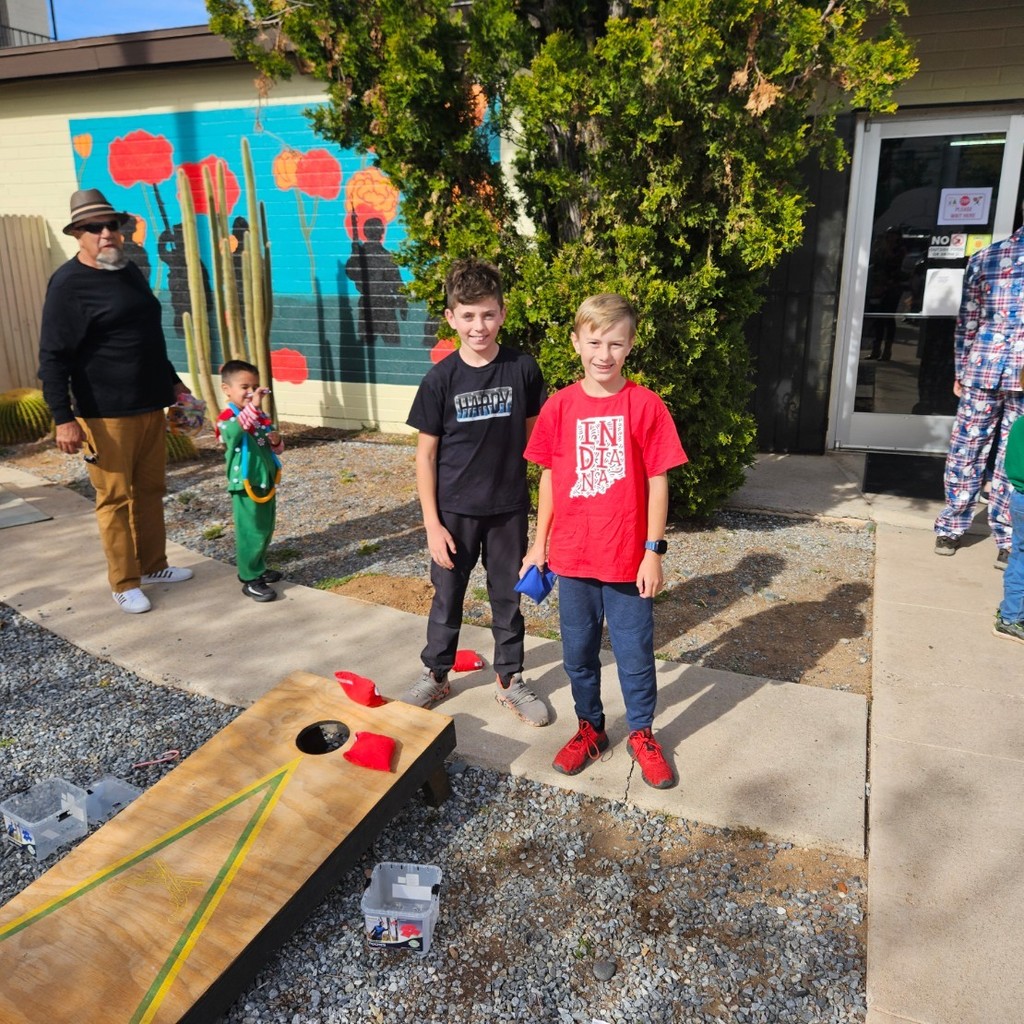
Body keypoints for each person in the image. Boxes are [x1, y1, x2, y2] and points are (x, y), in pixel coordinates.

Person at [522, 293, 687, 789]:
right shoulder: (559, 407)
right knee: (577, 654)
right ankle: (590, 728)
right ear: (576, 342)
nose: (603, 354)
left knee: (635, 655)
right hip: (572, 559)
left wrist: (653, 551)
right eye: (594, 341)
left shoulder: (646, 405)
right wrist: (539, 543)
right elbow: (549, 477)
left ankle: (641, 732)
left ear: (630, 346)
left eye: (615, 343)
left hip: (626, 560)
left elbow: (659, 479)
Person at [401, 257, 548, 725]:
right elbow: (425, 457)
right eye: (467, 315)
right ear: (451, 318)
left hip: (508, 510)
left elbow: (538, 445)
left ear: (502, 313)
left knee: (508, 597)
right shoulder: (439, 380)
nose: (478, 325)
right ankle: (436, 675)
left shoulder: (523, 368)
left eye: (487, 313)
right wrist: (431, 524)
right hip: (453, 514)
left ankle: (511, 681)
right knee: (447, 596)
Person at [37, 188, 194, 614]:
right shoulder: (68, 285)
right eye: (94, 227)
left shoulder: (128, 271)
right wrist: (63, 418)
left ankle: (154, 565)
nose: (106, 233)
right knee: (115, 499)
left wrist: (176, 387)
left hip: (149, 404)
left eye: (112, 225)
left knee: (150, 490)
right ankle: (124, 581)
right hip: (104, 414)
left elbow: (149, 339)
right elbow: (53, 355)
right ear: (78, 235)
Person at [934, 214, 1024, 569]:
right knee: (1009, 456)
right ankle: (1005, 538)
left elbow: (968, 322)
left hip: (983, 366)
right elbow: (968, 319)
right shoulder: (985, 258)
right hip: (1002, 372)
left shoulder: (986, 256)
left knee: (969, 449)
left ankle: (952, 528)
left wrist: (960, 368)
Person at [216, 360, 285, 603]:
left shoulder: (259, 416)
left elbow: (273, 445)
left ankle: (258, 566)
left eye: (254, 386)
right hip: (244, 483)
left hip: (264, 479)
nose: (251, 392)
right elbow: (236, 431)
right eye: (245, 386)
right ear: (227, 389)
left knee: (265, 528)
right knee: (250, 530)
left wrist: (275, 441)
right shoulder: (227, 419)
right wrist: (254, 407)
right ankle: (249, 577)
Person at [994, 367, 1024, 644]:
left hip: (1019, 498)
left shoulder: (1018, 424)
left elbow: (1011, 466)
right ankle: (1012, 618)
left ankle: (1010, 613)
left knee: (1019, 556)